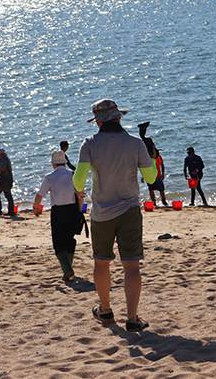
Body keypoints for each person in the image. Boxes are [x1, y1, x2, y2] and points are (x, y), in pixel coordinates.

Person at [73, 99, 159, 332]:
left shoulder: (89, 144)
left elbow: (78, 181)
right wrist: (150, 157)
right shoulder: (135, 144)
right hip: (130, 210)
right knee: (131, 265)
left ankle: (105, 309)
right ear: (119, 117)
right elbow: (151, 179)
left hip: (102, 212)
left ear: (98, 122)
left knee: (101, 262)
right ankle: (132, 318)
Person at [33, 151, 80, 282]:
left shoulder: (49, 177)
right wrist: (79, 211)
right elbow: (80, 194)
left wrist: (36, 208)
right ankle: (68, 268)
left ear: (53, 164)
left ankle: (67, 269)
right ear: (65, 162)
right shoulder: (72, 175)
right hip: (72, 209)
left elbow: (39, 195)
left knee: (58, 242)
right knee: (69, 239)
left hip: (58, 211)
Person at [138, 122, 167, 207]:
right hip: (153, 175)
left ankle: (163, 202)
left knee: (159, 190)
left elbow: (162, 165)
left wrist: (162, 174)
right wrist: (144, 176)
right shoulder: (151, 156)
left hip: (155, 175)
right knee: (152, 190)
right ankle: (154, 203)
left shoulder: (152, 157)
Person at [0, 147, 15, 216]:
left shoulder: (3, 160)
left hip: (4, 180)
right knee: (8, 196)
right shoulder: (5, 159)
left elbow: (2, 170)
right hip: (7, 179)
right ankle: (11, 211)